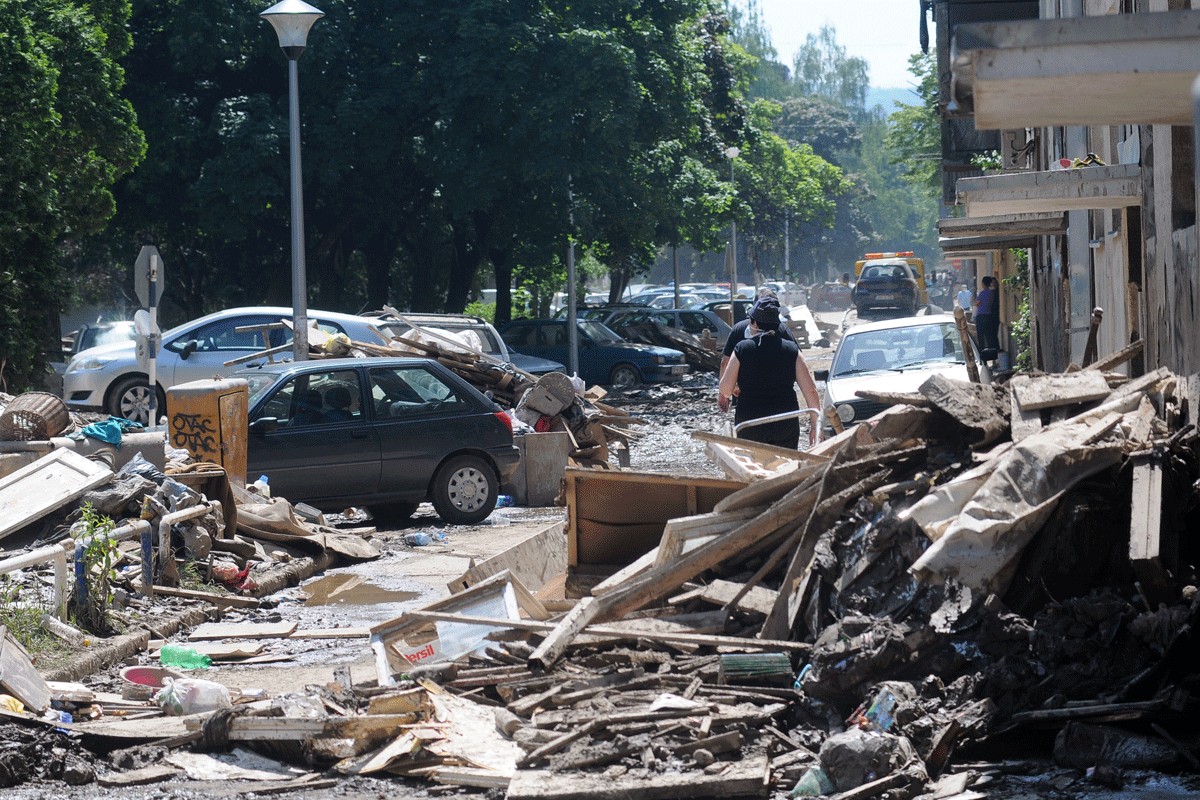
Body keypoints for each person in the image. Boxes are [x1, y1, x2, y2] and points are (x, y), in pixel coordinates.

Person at [718, 297, 822, 449]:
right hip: (785, 423)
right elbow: (810, 390)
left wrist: (733, 389)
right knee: (786, 465)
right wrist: (814, 425)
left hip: (750, 424)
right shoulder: (791, 350)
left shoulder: (741, 349)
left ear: (755, 323)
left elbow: (725, 389)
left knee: (753, 469)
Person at [720, 288, 796, 379]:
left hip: (745, 390)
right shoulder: (783, 330)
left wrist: (727, 389)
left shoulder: (738, 329)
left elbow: (725, 362)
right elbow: (797, 360)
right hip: (779, 390)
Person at [974, 276, 1001, 355]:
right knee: (989, 338)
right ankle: (993, 357)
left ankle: (982, 356)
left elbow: (976, 303)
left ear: (983, 283)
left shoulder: (983, 293)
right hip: (989, 316)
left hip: (981, 316)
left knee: (981, 337)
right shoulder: (992, 293)